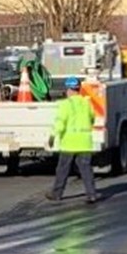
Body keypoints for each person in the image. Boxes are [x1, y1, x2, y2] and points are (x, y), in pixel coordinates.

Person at [47, 76, 100, 204]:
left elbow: (60, 122)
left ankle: (57, 194)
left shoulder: (65, 104)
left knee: (63, 170)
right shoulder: (86, 103)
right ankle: (91, 194)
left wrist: (53, 136)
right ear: (79, 89)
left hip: (69, 143)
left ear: (69, 90)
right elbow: (92, 118)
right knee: (86, 169)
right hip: (85, 142)